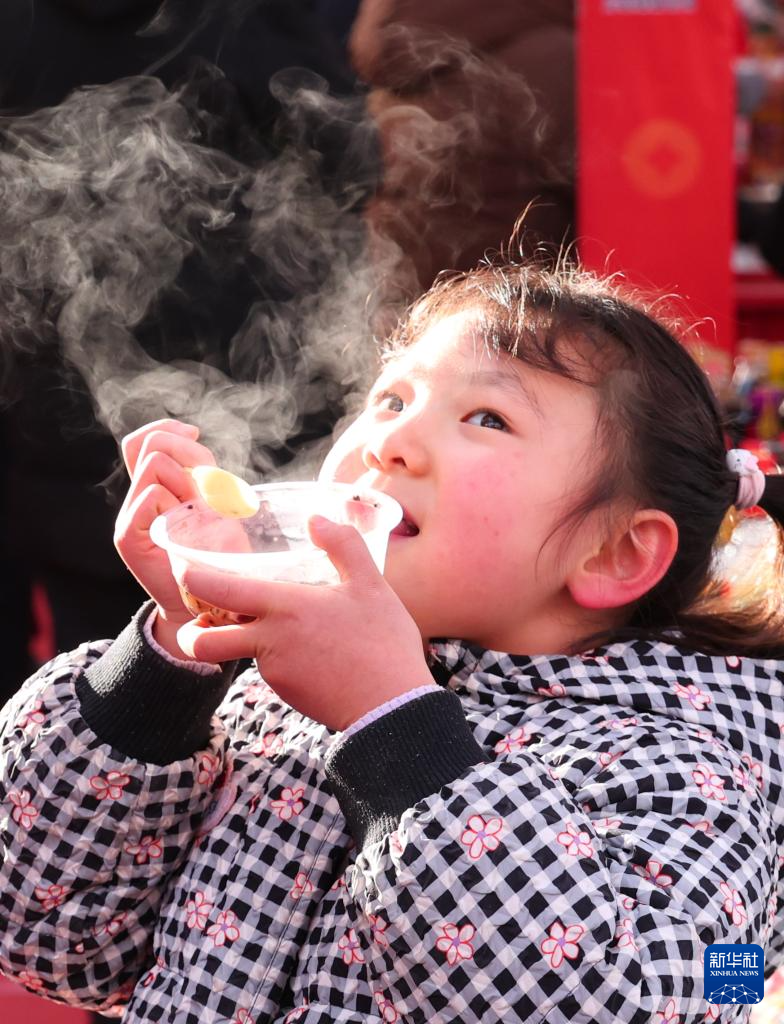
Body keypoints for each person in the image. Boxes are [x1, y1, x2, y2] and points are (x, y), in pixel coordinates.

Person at [1, 259, 783, 1024]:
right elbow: (52, 936)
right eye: (391, 397)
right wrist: (173, 656)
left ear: (614, 554)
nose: (390, 440)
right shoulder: (270, 701)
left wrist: (397, 727)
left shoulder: (688, 773)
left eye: (488, 418)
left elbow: (634, 1002)